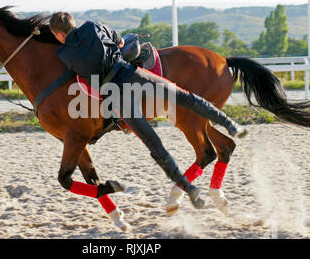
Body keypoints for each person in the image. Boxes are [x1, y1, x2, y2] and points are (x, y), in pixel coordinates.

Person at [49, 12, 247, 207]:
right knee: (185, 97)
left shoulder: (64, 53)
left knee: (154, 145)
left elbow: (84, 79)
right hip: (133, 74)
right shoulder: (93, 25)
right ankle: (231, 124)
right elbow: (120, 42)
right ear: (73, 23)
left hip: (117, 97)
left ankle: (188, 188)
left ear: (57, 34)